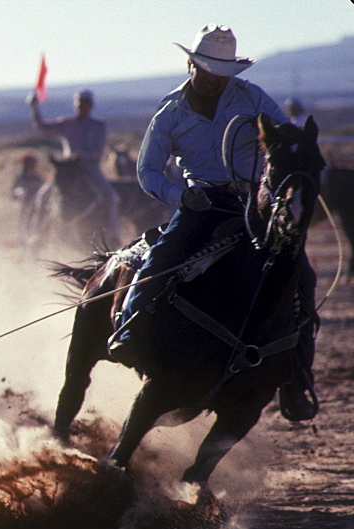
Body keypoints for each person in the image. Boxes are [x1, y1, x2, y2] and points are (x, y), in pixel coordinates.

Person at [108, 24, 317, 421]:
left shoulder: (251, 97)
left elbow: (287, 137)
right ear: (190, 65)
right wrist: (179, 196)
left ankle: (296, 378)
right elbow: (148, 170)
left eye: (220, 74)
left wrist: (291, 163)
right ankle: (131, 332)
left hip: (253, 205)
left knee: (300, 277)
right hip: (200, 204)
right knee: (163, 257)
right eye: (205, 71)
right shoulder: (170, 112)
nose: (212, 80)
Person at [27, 88, 122, 245]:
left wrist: (81, 156)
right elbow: (42, 127)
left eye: (85, 104)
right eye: (79, 104)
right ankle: (37, 234)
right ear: (75, 105)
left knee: (111, 196)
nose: (81, 107)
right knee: (43, 196)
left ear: (90, 106)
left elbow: (98, 151)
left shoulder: (98, 126)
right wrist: (35, 107)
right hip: (68, 169)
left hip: (90, 168)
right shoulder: (67, 123)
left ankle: (114, 232)